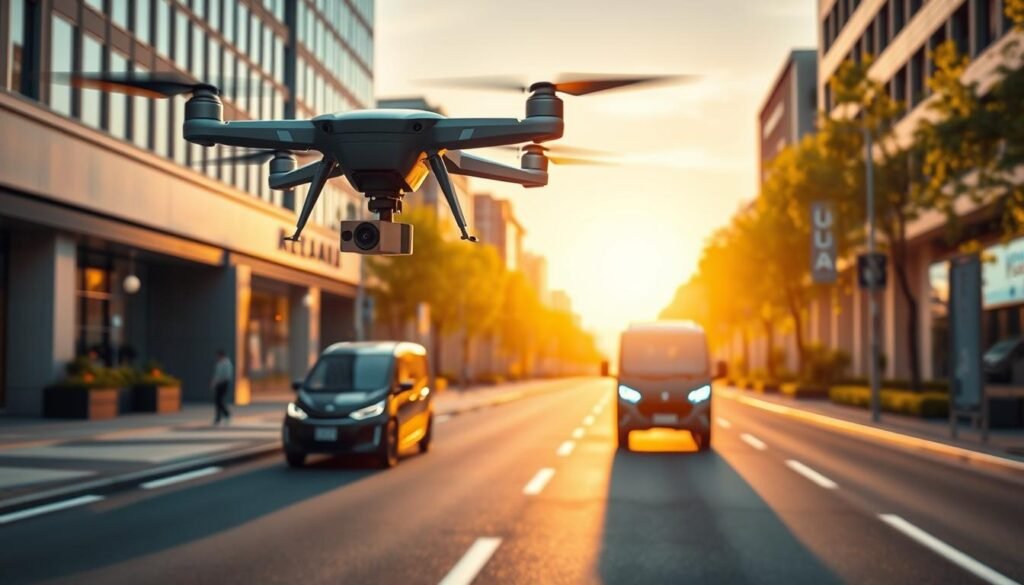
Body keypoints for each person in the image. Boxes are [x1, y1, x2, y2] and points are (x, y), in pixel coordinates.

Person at [210, 349, 233, 425]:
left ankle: (223, 415)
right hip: (219, 384)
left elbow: (226, 375)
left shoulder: (226, 363)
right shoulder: (221, 363)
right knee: (218, 401)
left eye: (218, 356)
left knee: (219, 400)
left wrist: (216, 382)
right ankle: (221, 416)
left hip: (222, 384)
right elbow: (217, 374)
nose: (217, 357)